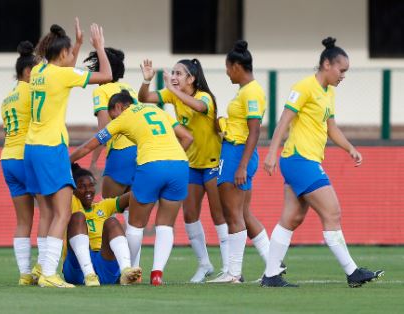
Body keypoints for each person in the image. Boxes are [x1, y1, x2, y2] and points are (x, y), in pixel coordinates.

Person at [261, 37, 384, 288]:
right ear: (327, 64)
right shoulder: (304, 87)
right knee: (333, 211)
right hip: (299, 159)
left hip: (305, 160)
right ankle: (352, 272)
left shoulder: (328, 93)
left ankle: (271, 275)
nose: (343, 76)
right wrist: (272, 152)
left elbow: (331, 128)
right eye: (342, 70)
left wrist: (350, 148)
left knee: (292, 218)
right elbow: (284, 120)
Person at [70, 90, 193, 286]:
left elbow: (89, 146)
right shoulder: (157, 110)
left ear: (119, 107)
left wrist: (67, 162)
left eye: (112, 115)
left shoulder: (123, 117)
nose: (113, 120)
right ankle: (157, 275)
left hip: (151, 164)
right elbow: (187, 137)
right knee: (165, 225)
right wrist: (170, 157)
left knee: (135, 223)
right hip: (179, 164)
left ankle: (129, 271)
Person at [24, 20, 112, 288]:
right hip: (51, 148)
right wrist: (99, 47)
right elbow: (106, 75)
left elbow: (65, 64)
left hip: (32, 147)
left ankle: (41, 268)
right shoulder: (62, 75)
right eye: (69, 53)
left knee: (49, 212)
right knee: (63, 212)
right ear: (61, 55)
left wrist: (78, 43)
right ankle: (50, 273)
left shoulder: (39, 71)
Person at [138, 58, 228, 283]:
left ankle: (229, 268)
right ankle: (204, 264)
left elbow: (199, 107)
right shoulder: (172, 94)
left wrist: (171, 90)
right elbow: (144, 98)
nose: (174, 77)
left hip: (213, 162)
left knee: (218, 214)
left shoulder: (203, 97)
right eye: (173, 73)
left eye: (179, 73)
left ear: (192, 79)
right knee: (189, 215)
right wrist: (146, 81)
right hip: (190, 164)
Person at [207, 40, 268, 283]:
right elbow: (242, 125)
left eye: (227, 67)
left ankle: (233, 273)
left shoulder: (252, 91)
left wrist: (241, 165)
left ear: (236, 66)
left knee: (232, 214)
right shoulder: (245, 91)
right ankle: (274, 264)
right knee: (242, 212)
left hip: (237, 153)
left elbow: (254, 131)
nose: (226, 72)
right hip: (234, 151)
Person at [0, 41, 52, 285]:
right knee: (48, 212)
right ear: (29, 72)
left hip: (8, 159)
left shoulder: (7, 98)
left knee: (23, 221)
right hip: (27, 156)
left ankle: (23, 274)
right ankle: (41, 268)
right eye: (39, 70)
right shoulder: (32, 92)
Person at [84, 48, 141, 267]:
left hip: (120, 153)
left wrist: (92, 161)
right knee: (133, 214)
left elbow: (104, 127)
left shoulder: (102, 90)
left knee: (107, 211)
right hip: (140, 152)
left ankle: (112, 265)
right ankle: (134, 266)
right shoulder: (129, 89)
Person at [62, 163, 142, 286]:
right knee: (78, 217)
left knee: (112, 221)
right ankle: (89, 274)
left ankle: (126, 270)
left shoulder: (103, 206)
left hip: (103, 261)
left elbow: (131, 197)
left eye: (91, 185)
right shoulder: (70, 203)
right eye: (82, 187)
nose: (88, 190)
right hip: (77, 268)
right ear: (73, 189)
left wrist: (148, 182)